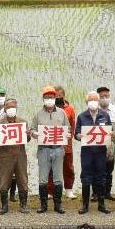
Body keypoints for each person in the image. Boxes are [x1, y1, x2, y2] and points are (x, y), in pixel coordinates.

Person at [30, 86, 68, 214]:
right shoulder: (38, 114)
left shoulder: (62, 113)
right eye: (47, 97)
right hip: (43, 149)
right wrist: (34, 134)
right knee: (43, 178)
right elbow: (32, 129)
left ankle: (58, 205)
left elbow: (67, 128)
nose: (49, 100)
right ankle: (43, 205)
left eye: (51, 97)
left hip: (58, 149)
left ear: (55, 98)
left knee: (58, 178)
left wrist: (67, 134)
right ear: (43, 99)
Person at [76, 91, 115, 214]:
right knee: (86, 177)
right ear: (87, 102)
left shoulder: (105, 115)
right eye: (90, 100)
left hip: (100, 152)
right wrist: (79, 136)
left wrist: (111, 134)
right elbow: (75, 133)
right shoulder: (81, 116)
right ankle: (85, 205)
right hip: (87, 152)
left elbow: (110, 131)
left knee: (101, 177)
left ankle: (101, 204)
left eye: (95, 100)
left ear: (98, 102)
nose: (93, 102)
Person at [0, 98, 31, 214]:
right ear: (5, 109)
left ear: (16, 108)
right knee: (4, 180)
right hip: (5, 155)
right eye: (9, 107)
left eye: (13, 107)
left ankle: (23, 204)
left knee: (23, 179)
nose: (11, 109)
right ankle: (4, 206)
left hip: (20, 154)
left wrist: (28, 135)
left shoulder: (23, 122)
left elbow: (28, 140)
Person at [96, 87, 115, 202]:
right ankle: (95, 193)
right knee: (96, 169)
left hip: (111, 145)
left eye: (107, 96)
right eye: (102, 96)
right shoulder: (93, 110)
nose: (104, 98)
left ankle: (107, 192)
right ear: (98, 98)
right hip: (97, 145)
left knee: (109, 169)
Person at [56, 85, 77, 200]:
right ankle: (50, 191)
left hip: (66, 144)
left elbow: (72, 126)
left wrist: (69, 138)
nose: (58, 97)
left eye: (60, 95)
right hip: (52, 143)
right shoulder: (48, 108)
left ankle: (68, 190)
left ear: (64, 95)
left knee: (68, 167)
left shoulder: (70, 109)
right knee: (51, 167)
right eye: (56, 95)